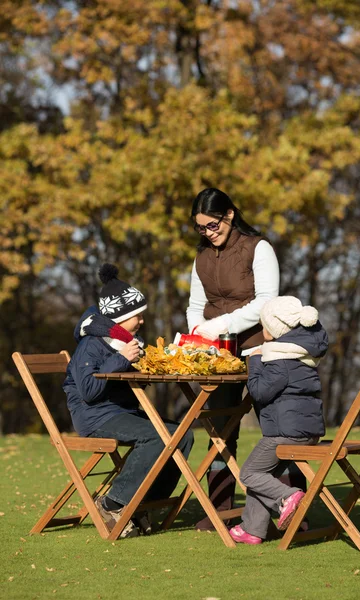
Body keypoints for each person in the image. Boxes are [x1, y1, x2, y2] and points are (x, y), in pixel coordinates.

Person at [63, 264, 194, 538]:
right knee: (158, 437)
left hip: (123, 411)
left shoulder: (125, 341)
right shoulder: (92, 345)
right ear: (120, 318)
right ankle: (113, 502)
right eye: (138, 316)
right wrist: (122, 358)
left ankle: (141, 504)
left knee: (183, 436)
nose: (142, 322)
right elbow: (88, 391)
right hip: (95, 417)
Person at [187, 187, 280, 530]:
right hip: (217, 355)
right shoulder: (200, 260)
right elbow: (196, 307)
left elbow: (265, 302)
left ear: (228, 215)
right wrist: (199, 335)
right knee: (220, 430)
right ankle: (219, 511)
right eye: (201, 228)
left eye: (213, 225)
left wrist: (218, 326)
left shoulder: (260, 249)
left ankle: (287, 509)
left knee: (274, 428)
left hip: (260, 349)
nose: (208, 234)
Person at [229, 296, 328, 544]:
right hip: (308, 431)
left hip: (285, 433)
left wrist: (254, 360)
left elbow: (259, 392)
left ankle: (287, 496)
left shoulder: (279, 361)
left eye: (264, 325)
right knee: (263, 471)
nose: (262, 331)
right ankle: (252, 529)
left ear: (275, 329)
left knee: (250, 473)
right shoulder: (300, 355)